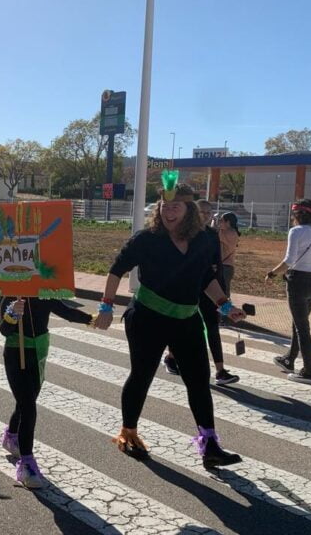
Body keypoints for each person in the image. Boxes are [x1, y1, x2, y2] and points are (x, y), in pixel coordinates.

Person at [94, 181, 245, 469]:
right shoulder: (146, 239)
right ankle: (129, 433)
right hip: (147, 318)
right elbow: (116, 270)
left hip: (186, 320)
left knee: (199, 382)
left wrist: (225, 305)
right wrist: (105, 305)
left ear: (190, 210)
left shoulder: (206, 240)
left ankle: (210, 444)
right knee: (142, 376)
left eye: (176, 206)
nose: (169, 211)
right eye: (165, 206)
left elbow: (205, 279)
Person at [0, 296, 95, 489]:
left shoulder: (45, 294)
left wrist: (91, 319)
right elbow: (3, 330)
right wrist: (12, 314)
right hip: (16, 354)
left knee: (26, 402)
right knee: (28, 406)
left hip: (38, 352)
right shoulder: (12, 295)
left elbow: (66, 312)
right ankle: (27, 464)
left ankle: (11, 436)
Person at [164, 200, 239, 385]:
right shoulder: (183, 233)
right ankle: (171, 357)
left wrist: (223, 293)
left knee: (212, 326)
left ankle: (220, 370)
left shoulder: (213, 235)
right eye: (201, 212)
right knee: (181, 325)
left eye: (209, 212)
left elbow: (217, 265)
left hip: (210, 288)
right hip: (187, 287)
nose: (205, 215)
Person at [265, 199, 311, 385]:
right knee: (300, 322)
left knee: (302, 327)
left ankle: (309, 371)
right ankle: (289, 359)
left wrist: (272, 273)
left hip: (298, 281)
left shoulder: (295, 232)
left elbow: (289, 260)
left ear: (298, 215)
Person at [218, 212, 240, 298]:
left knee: (223, 294)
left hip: (225, 267)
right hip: (226, 266)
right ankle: (225, 310)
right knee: (223, 292)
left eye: (221, 220)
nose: (220, 222)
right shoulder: (232, 232)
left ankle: (227, 310)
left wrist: (213, 221)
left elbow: (212, 232)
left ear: (228, 222)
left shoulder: (228, 233)